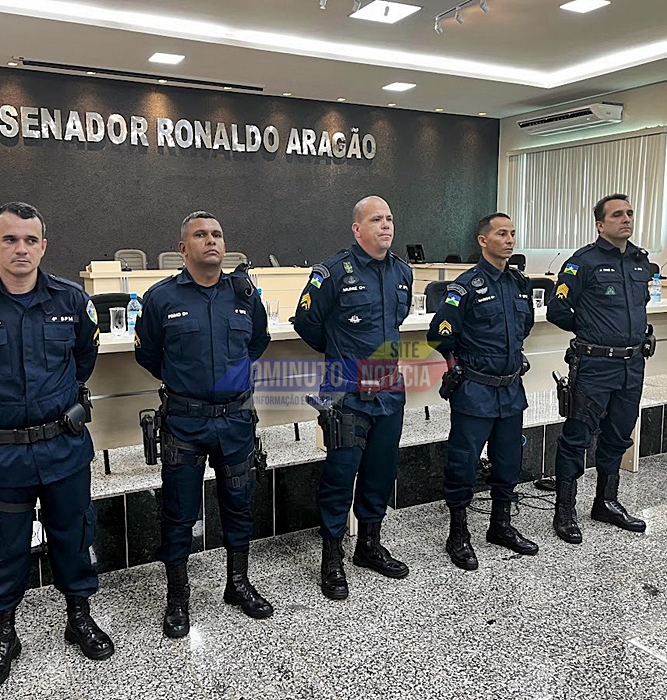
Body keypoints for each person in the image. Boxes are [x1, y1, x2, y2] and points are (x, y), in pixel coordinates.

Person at [0, 201, 113, 689]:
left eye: (30, 240)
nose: (20, 249)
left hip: (63, 447)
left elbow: (84, 358)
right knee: (5, 548)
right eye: (10, 239)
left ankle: (78, 618)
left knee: (73, 537)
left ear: (43, 246)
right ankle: (4, 635)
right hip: (1, 453)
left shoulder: (71, 300)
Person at [134, 210, 273, 639]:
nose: (211, 240)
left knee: (239, 504)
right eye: (200, 234)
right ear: (183, 248)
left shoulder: (245, 296)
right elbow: (148, 356)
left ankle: (237, 583)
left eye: (216, 234)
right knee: (177, 513)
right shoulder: (161, 298)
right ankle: (177, 597)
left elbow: (257, 343)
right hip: (185, 423)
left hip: (234, 420)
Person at [293, 195, 412, 600]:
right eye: (376, 219)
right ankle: (332, 555)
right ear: (357, 229)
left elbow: (394, 322)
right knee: (340, 476)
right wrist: (339, 353)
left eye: (390, 218)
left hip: (389, 390)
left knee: (381, 473)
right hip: (346, 393)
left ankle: (369, 545)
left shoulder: (402, 272)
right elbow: (306, 321)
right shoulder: (332, 272)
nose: (386, 225)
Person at [426, 213, 539, 570]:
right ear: (482, 240)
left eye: (512, 234)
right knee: (463, 464)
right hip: (474, 390)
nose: (509, 240)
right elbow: (439, 333)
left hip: (510, 390)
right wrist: (455, 362)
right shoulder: (465, 287)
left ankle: (501, 526)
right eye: (501, 234)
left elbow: (526, 326)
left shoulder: (519, 283)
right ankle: (458, 534)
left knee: (508, 463)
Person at [546, 193, 652, 544]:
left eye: (629, 213)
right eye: (617, 214)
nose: (626, 219)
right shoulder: (582, 262)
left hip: (632, 365)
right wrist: (591, 330)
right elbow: (557, 310)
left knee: (618, 435)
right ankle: (565, 510)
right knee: (577, 437)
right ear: (600, 224)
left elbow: (641, 305)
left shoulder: (640, 262)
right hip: (593, 364)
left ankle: (606, 502)